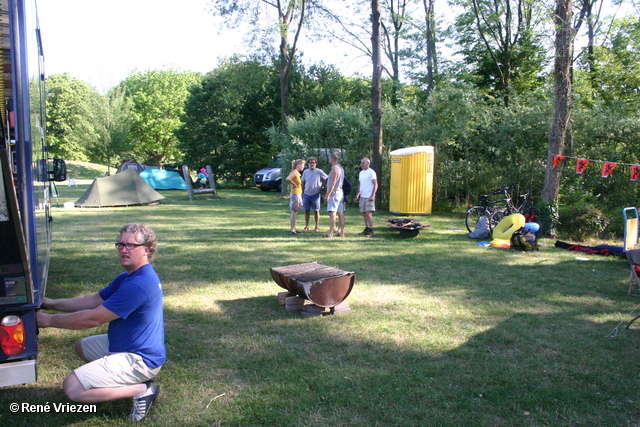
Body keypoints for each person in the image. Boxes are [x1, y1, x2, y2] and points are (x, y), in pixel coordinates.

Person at [36, 223, 165, 422]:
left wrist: (49, 320)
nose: (123, 250)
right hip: (126, 346)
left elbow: (93, 318)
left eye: (130, 245)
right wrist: (49, 303)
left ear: (147, 249)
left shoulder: (140, 284)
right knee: (83, 347)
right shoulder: (128, 277)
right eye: (120, 244)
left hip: (140, 359)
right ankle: (130, 380)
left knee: (73, 388)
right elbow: (94, 300)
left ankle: (141, 389)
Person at [300, 156, 328, 232]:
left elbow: (327, 179)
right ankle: (306, 226)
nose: (312, 164)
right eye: (310, 162)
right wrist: (302, 193)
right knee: (306, 210)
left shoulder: (319, 171)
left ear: (315, 163)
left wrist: (323, 186)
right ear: (308, 163)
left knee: (316, 210)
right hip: (306, 194)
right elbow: (303, 182)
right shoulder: (305, 172)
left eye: (313, 162)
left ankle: (317, 227)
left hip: (316, 194)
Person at [354, 157, 378, 237]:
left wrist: (372, 195)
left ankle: (371, 231)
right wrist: (357, 195)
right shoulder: (361, 173)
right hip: (363, 196)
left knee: (368, 213)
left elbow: (375, 184)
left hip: (369, 196)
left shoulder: (371, 172)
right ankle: (367, 228)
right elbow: (360, 185)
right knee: (364, 213)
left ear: (368, 163)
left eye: (363, 163)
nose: (361, 164)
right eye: (361, 163)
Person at [323, 152, 345, 238]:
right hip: (340, 192)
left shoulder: (334, 169)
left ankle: (330, 233)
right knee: (340, 213)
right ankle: (342, 232)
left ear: (331, 159)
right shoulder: (341, 168)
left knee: (332, 214)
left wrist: (328, 195)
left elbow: (332, 183)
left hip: (334, 193)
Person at [286, 159, 305, 234]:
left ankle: (294, 228)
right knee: (294, 212)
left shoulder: (297, 173)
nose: (303, 167)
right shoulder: (295, 172)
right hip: (295, 193)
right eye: (302, 165)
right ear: (298, 165)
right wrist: (294, 184)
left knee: (295, 211)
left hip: (297, 193)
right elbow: (288, 178)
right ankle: (292, 230)